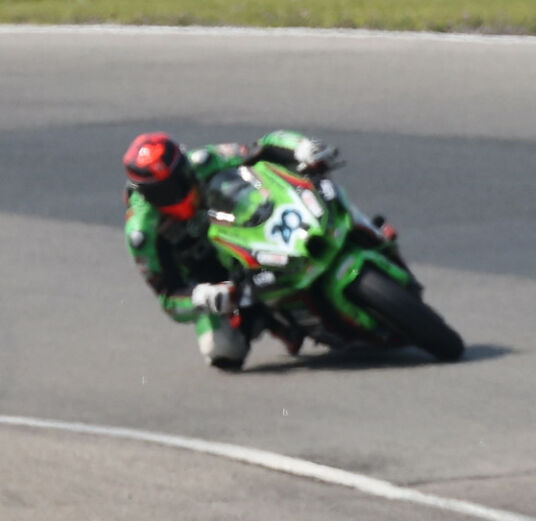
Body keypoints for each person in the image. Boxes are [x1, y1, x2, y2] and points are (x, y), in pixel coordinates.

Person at [121, 129, 373, 369]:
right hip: (213, 277)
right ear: (146, 195)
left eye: (179, 179)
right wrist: (201, 297)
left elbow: (262, 148)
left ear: (184, 165)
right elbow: (168, 298)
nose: (177, 191)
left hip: (248, 228)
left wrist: (301, 148)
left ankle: (367, 229)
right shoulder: (143, 233)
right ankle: (277, 322)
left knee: (317, 185)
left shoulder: (204, 160)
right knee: (222, 351)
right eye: (164, 191)